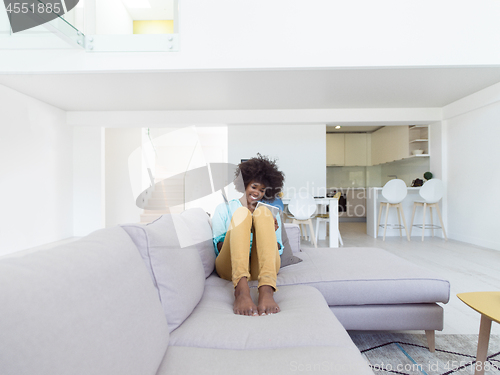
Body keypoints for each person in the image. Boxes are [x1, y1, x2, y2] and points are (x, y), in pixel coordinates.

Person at [211, 154, 285, 316]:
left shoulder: (270, 214)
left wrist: (268, 234)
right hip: (231, 264)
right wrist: (248, 227)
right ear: (245, 184)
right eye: (254, 187)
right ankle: (241, 291)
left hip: (263, 265)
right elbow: (219, 246)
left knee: (263, 213)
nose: (257, 193)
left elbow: (278, 248)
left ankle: (266, 290)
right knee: (242, 213)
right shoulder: (224, 208)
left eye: (262, 190)